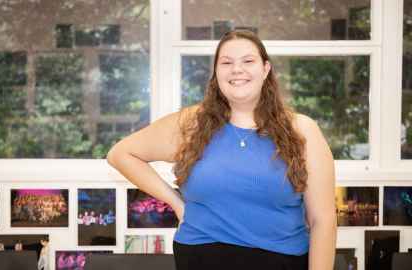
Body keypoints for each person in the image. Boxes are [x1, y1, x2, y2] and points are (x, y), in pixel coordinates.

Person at [107, 30, 336, 270]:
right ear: (216, 73)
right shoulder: (190, 123)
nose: (237, 70)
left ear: (266, 68)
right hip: (201, 257)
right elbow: (120, 154)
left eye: (248, 61)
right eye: (226, 62)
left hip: (282, 260)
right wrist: (176, 203)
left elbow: (323, 220)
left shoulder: (302, 130)